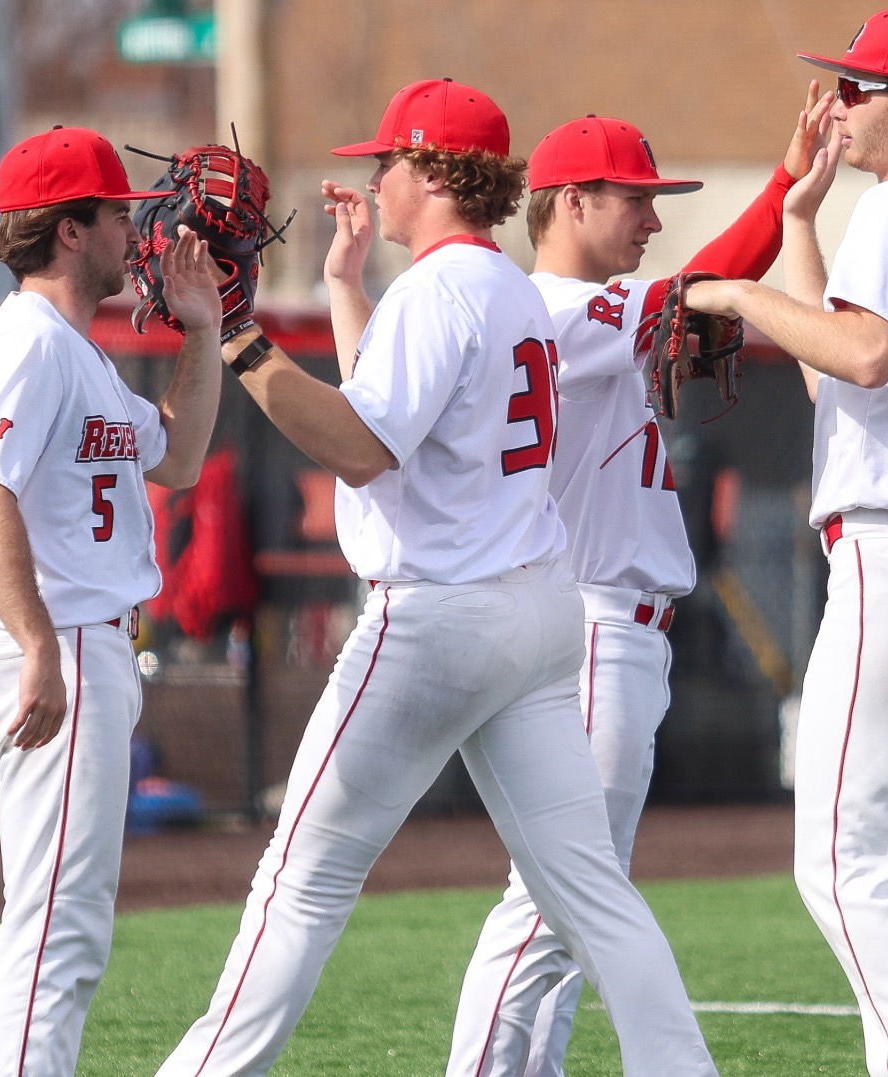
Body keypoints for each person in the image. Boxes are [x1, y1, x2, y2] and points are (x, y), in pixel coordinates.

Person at [163, 77, 718, 1077]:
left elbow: (364, 447)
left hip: (440, 620)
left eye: (386, 161)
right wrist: (340, 288)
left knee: (300, 883)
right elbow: (408, 423)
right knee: (590, 892)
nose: (374, 177)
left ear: (430, 171)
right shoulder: (507, 286)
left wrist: (238, 336)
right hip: (540, 613)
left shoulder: (439, 290)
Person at [447, 89, 830, 1077]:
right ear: (569, 201)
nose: (654, 218)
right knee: (556, 905)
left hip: (610, 632)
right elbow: (709, 282)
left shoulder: (574, 315)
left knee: (575, 903)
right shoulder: (562, 311)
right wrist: (785, 185)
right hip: (586, 627)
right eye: (636, 199)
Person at [680, 7, 888, 1077]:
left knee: (842, 870)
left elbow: (860, 354)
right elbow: (836, 366)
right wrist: (794, 222)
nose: (840, 101)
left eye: (863, 87)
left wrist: (731, 291)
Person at [0, 125, 224, 1076]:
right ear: (69, 231)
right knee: (63, 930)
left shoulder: (74, 350)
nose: (132, 234)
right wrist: (37, 646)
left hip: (76, 644)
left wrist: (202, 328)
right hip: (55, 644)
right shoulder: (27, 343)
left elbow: (178, 456)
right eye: (117, 215)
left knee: (46, 920)